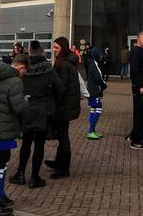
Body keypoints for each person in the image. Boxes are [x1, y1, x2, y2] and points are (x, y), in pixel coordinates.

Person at [0, 53, 29, 215]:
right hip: (7, 126)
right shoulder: (15, 81)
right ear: (21, 67)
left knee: (4, 160)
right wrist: (26, 103)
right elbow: (18, 107)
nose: (24, 75)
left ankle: (0, 196)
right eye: (25, 72)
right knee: (1, 163)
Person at [15, 41, 62, 189]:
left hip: (26, 108)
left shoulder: (23, 69)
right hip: (42, 110)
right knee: (39, 145)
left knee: (26, 143)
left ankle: (20, 173)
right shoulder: (48, 69)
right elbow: (59, 89)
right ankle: (34, 177)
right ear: (42, 53)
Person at [47, 37, 81, 178]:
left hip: (63, 106)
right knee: (62, 134)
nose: (54, 50)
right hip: (67, 105)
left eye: (56, 48)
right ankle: (59, 162)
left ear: (63, 48)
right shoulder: (68, 62)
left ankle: (64, 168)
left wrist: (52, 96)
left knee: (63, 135)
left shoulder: (64, 64)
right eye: (53, 47)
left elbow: (61, 87)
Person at [127, 30, 143, 149]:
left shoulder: (142, 51)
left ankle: (133, 135)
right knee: (141, 112)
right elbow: (134, 71)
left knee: (142, 112)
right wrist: (140, 86)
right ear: (138, 40)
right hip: (141, 87)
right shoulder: (136, 52)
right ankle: (136, 140)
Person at [85, 44, 106, 140]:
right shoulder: (94, 65)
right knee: (98, 108)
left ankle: (92, 131)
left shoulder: (92, 64)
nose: (101, 57)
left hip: (92, 91)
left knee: (93, 109)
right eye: (100, 55)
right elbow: (98, 78)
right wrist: (104, 85)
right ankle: (91, 131)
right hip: (94, 91)